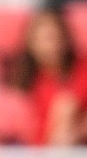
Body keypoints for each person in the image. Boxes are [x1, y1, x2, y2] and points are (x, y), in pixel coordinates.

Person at [14, 8, 87, 147]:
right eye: (44, 39)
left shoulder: (83, 68)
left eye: (55, 37)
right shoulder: (31, 83)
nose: (51, 46)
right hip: (48, 152)